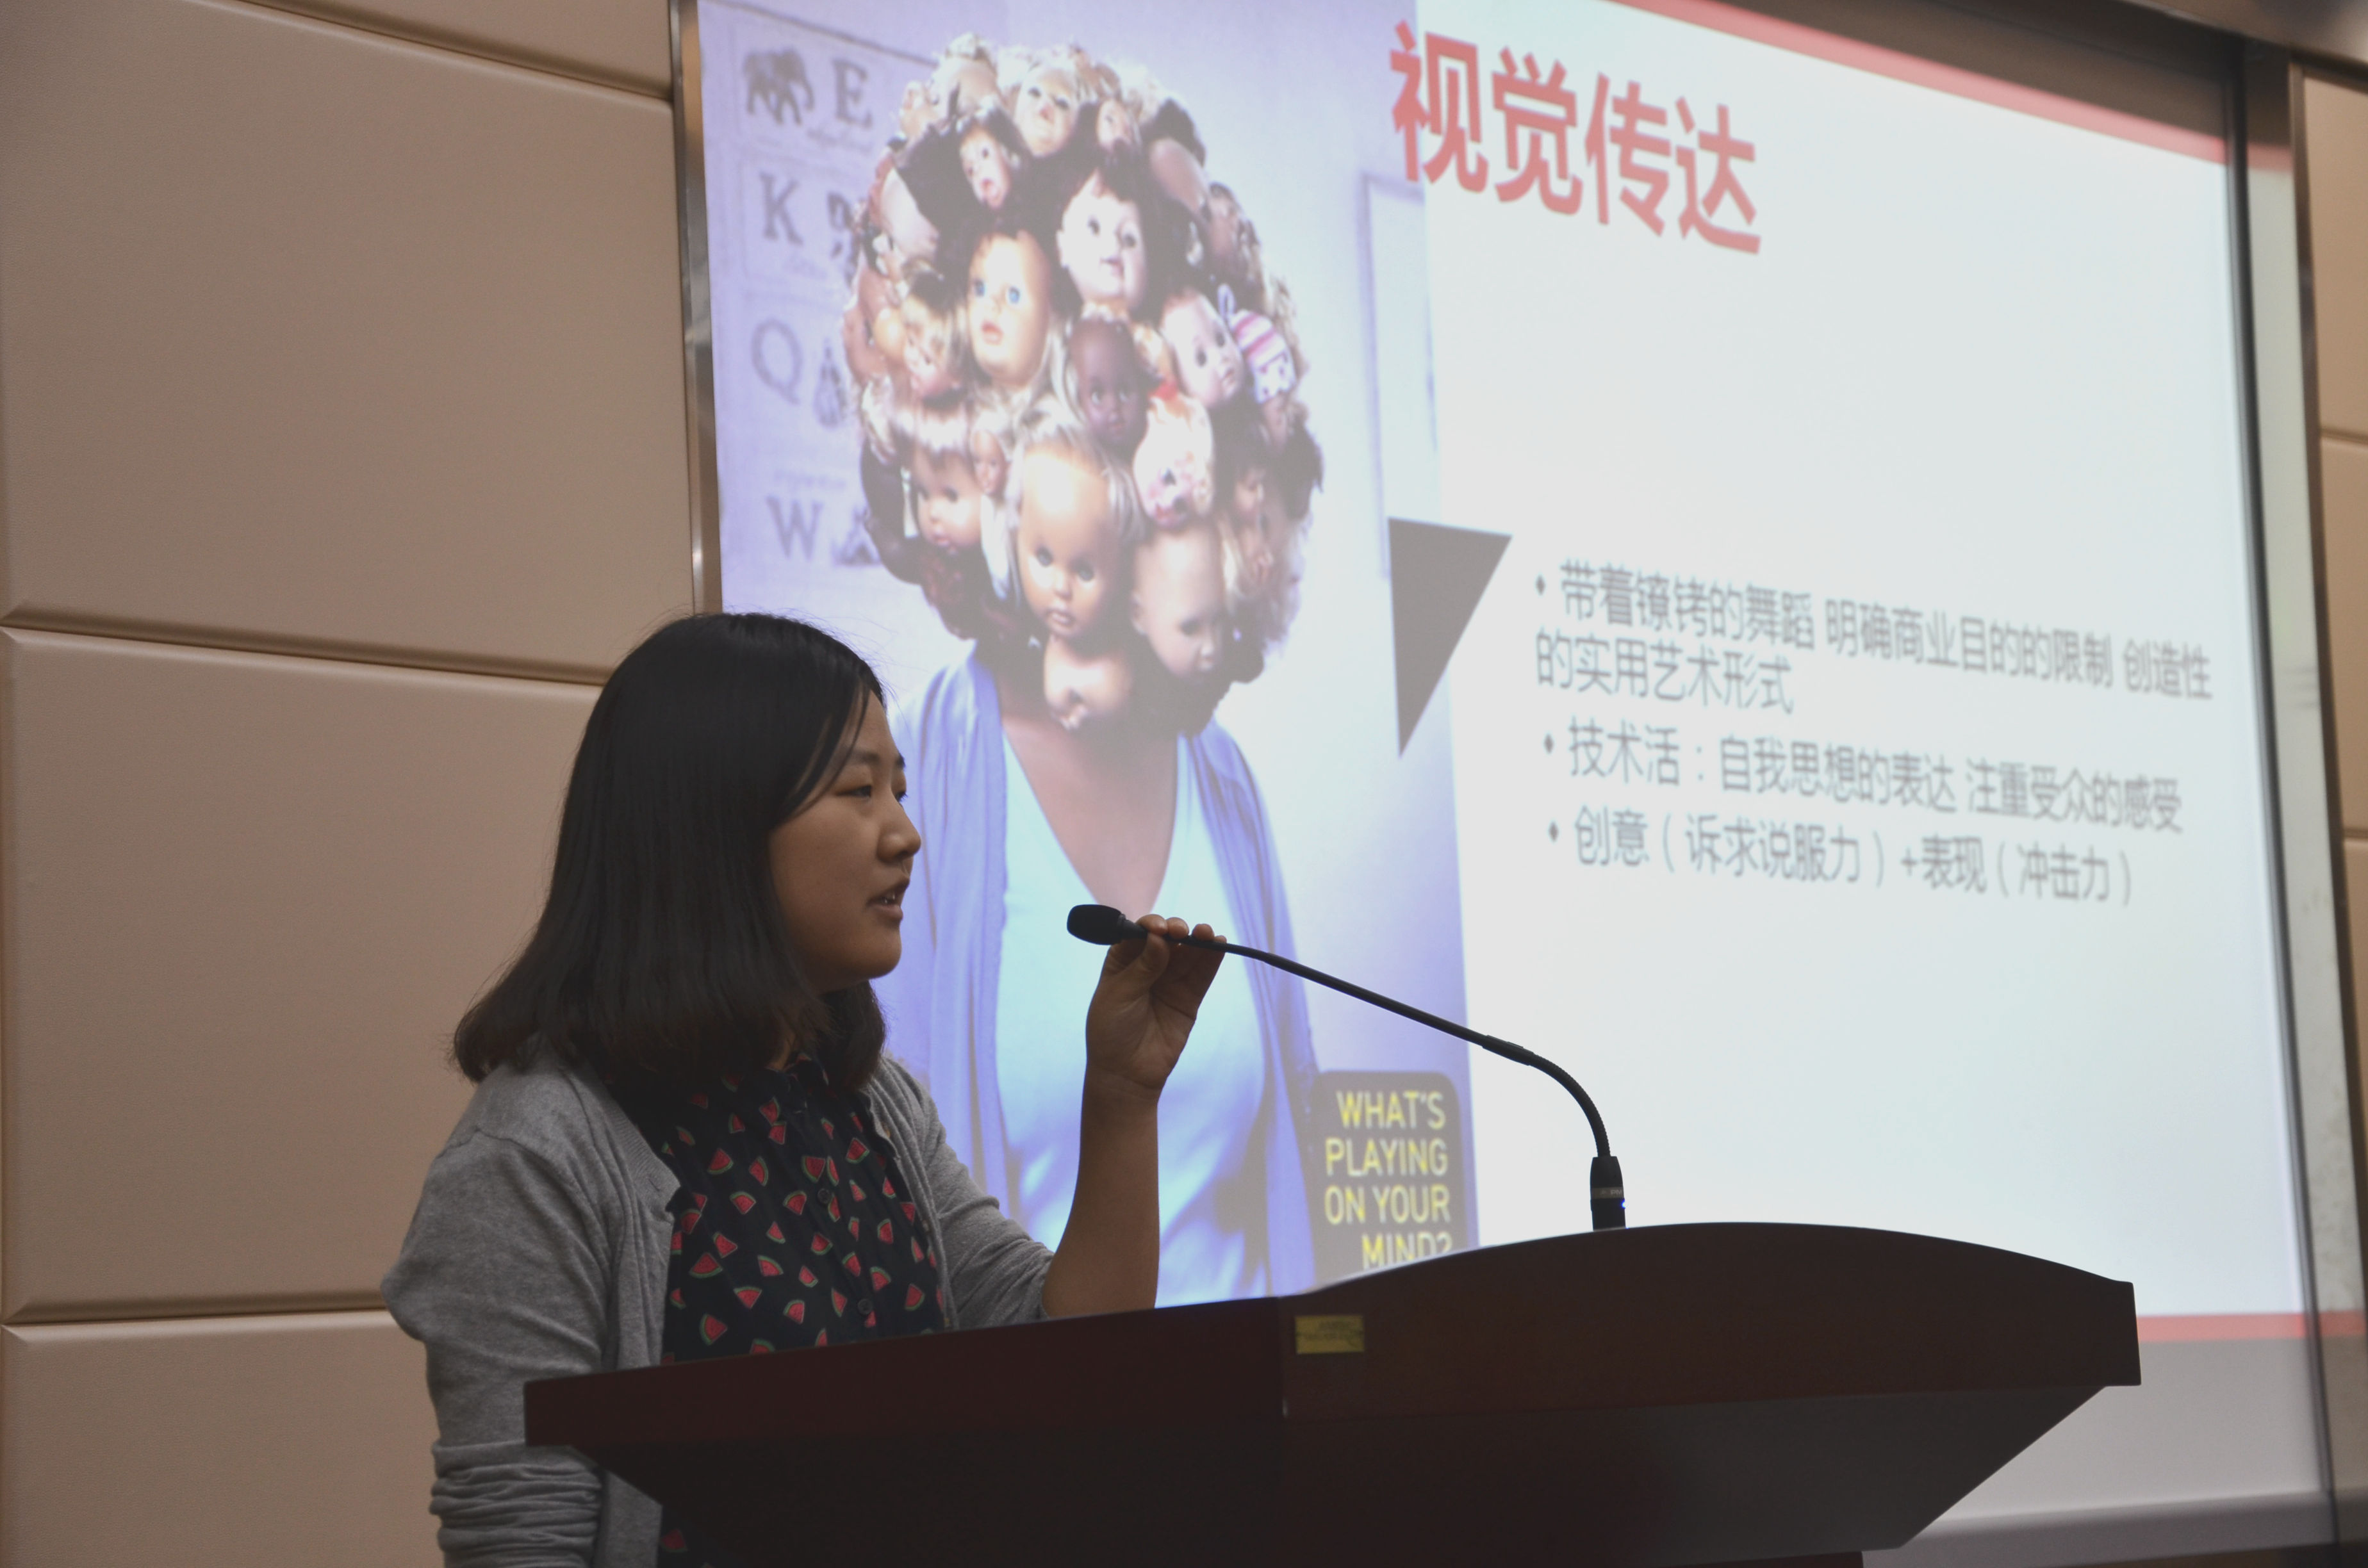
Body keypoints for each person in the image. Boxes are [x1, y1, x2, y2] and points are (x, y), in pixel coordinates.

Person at [383, 614, 1228, 1568]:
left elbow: (1065, 1362)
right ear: (716, 823)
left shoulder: (873, 1106)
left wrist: (1121, 1094)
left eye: (899, 789)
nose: (906, 834)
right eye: (859, 790)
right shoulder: (535, 1157)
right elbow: (521, 1538)